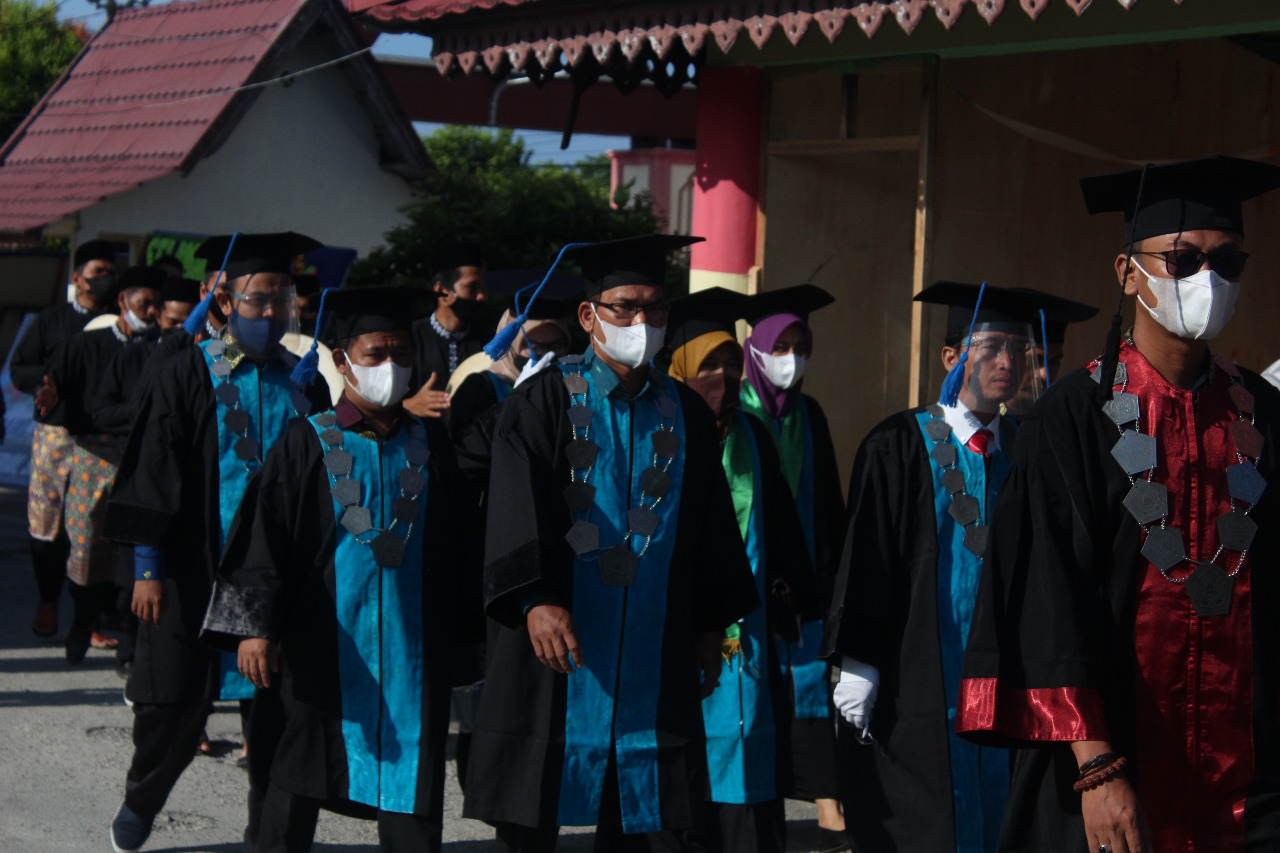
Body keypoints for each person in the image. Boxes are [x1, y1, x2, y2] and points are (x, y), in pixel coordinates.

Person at [958, 155, 1280, 853]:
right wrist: (1097, 767)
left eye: (1228, 262)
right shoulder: (1073, 417)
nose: (1208, 279)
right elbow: (1048, 598)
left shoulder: (1262, 415)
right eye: (1184, 259)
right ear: (1128, 272)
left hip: (1249, 776)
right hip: (1115, 763)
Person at [462, 234, 760, 853]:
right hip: (559, 636)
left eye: (655, 307)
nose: (641, 322)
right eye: (625, 307)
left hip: (657, 641)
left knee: (653, 819)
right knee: (534, 813)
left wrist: (710, 625)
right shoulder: (543, 400)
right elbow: (515, 506)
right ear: (589, 314)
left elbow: (709, 526)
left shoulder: (685, 412)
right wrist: (535, 598)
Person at [201, 285, 474, 853]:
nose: (391, 366)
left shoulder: (430, 443)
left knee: (412, 792)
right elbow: (265, 538)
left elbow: (457, 544)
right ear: (345, 362)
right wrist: (255, 629)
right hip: (323, 645)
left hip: (411, 650)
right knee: (296, 779)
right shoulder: (306, 442)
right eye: (376, 354)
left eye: (401, 353)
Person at [102, 232, 332, 853]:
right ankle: (143, 798)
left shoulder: (304, 382)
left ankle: (271, 838)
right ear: (225, 303)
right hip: (192, 567)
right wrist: (146, 567)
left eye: (283, 299)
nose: (273, 312)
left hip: (274, 577)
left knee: (277, 715)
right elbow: (153, 467)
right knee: (171, 706)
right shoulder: (185, 371)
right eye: (259, 299)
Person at [822, 281, 1054, 852]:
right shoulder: (897, 443)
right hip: (917, 680)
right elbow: (869, 558)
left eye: (1019, 349)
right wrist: (859, 664)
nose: (1007, 362)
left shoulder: (1027, 448)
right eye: (991, 347)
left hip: (1006, 681)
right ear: (952, 358)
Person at [666, 287, 818, 853]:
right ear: (680, 369)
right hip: (676, 632)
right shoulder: (662, 433)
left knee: (748, 747)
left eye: (733, 365)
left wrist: (796, 596)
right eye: (709, 365)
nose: (725, 378)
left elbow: (782, 527)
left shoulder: (752, 434)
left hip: (746, 633)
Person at [738, 284, 845, 840]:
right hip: (751, 573)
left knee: (810, 683)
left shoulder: (810, 413)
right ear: (755, 348)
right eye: (780, 346)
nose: (792, 359)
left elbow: (828, 500)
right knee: (755, 688)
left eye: (802, 348)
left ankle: (826, 798)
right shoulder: (736, 414)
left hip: (804, 580)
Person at [46, 265, 164, 663]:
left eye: (158, 306)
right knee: (84, 546)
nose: (152, 312)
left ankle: (129, 643)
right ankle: (83, 619)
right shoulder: (87, 344)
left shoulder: (163, 351)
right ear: (123, 301)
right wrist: (47, 398)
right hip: (93, 456)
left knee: (131, 550)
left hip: (143, 457)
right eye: (145, 303)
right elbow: (55, 389)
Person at [12, 239, 117, 638]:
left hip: (102, 438)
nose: (105, 279)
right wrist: (49, 383)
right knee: (47, 525)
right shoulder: (51, 320)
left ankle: (91, 616)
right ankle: (48, 601)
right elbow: (21, 367)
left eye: (111, 272)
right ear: (78, 278)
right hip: (55, 437)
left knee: (93, 527)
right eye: (97, 273)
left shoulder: (117, 324)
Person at [406, 242, 490, 416]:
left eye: (483, 289)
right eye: (472, 288)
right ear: (441, 290)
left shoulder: (489, 342)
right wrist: (408, 406)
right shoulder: (408, 339)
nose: (481, 296)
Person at [1004, 288, 1098, 418]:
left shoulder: (1061, 421)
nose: (1044, 375)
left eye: (1053, 362)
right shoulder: (986, 423)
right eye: (1035, 360)